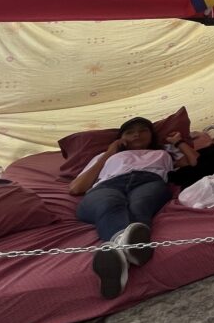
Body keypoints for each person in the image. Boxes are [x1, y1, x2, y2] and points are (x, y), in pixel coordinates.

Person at [69, 116, 198, 299]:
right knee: (108, 204)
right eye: (130, 132)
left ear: (151, 135)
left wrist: (179, 142)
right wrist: (109, 152)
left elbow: (193, 162)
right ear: (121, 138)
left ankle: (118, 254)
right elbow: (76, 188)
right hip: (108, 185)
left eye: (143, 130)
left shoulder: (163, 153)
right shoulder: (105, 156)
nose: (137, 134)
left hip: (148, 181)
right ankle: (132, 249)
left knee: (140, 204)